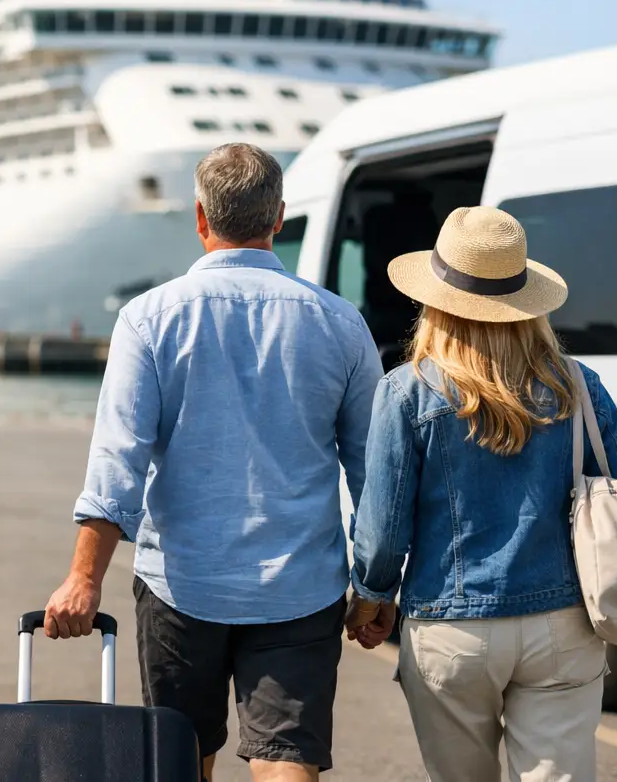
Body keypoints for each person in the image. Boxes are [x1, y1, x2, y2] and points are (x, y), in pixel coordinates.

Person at [44, 143, 382, 781]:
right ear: (278, 217)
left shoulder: (148, 319)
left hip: (182, 583)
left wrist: (83, 579)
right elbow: (372, 470)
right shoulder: (341, 322)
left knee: (180, 757)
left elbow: (119, 459)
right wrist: (375, 585)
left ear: (200, 217)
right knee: (287, 760)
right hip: (300, 585)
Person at [345, 206, 617, 782]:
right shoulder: (579, 386)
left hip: (450, 628)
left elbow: (384, 530)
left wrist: (371, 595)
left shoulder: (406, 391)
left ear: (435, 302)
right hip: (564, 623)